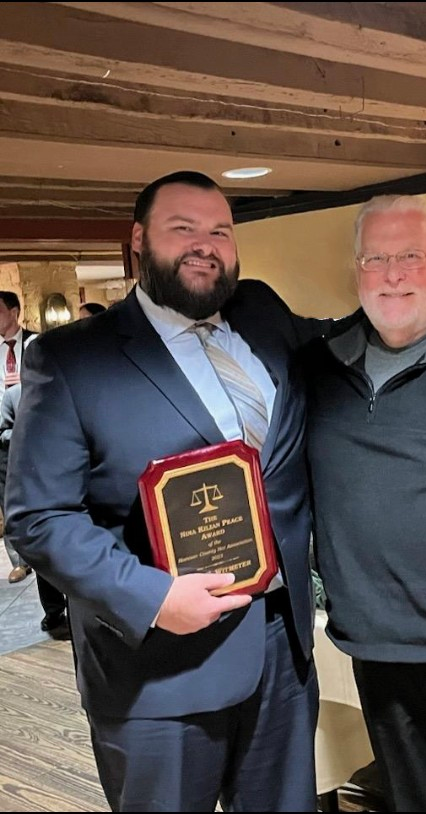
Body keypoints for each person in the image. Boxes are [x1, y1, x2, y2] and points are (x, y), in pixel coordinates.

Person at [6, 171, 322, 812]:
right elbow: (39, 517)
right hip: (158, 668)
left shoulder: (261, 313)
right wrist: (154, 599)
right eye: (183, 229)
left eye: (219, 232)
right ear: (138, 241)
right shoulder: (72, 359)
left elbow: (342, 338)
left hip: (283, 651)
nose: (204, 245)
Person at [305, 193, 426, 812]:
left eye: (410, 255)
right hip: (376, 651)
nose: (392, 274)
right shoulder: (319, 363)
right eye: (375, 258)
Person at [0, 381, 69, 638]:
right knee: (43, 549)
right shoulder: (14, 395)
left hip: (64, 477)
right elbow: (2, 433)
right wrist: (22, 431)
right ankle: (54, 613)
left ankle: (77, 611)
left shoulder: (64, 389)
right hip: (29, 481)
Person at [0, 291, 36, 582]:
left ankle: (42, 553)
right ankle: (18, 561)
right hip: (3, 431)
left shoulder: (38, 343)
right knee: (7, 497)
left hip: (37, 428)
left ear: (14, 311)